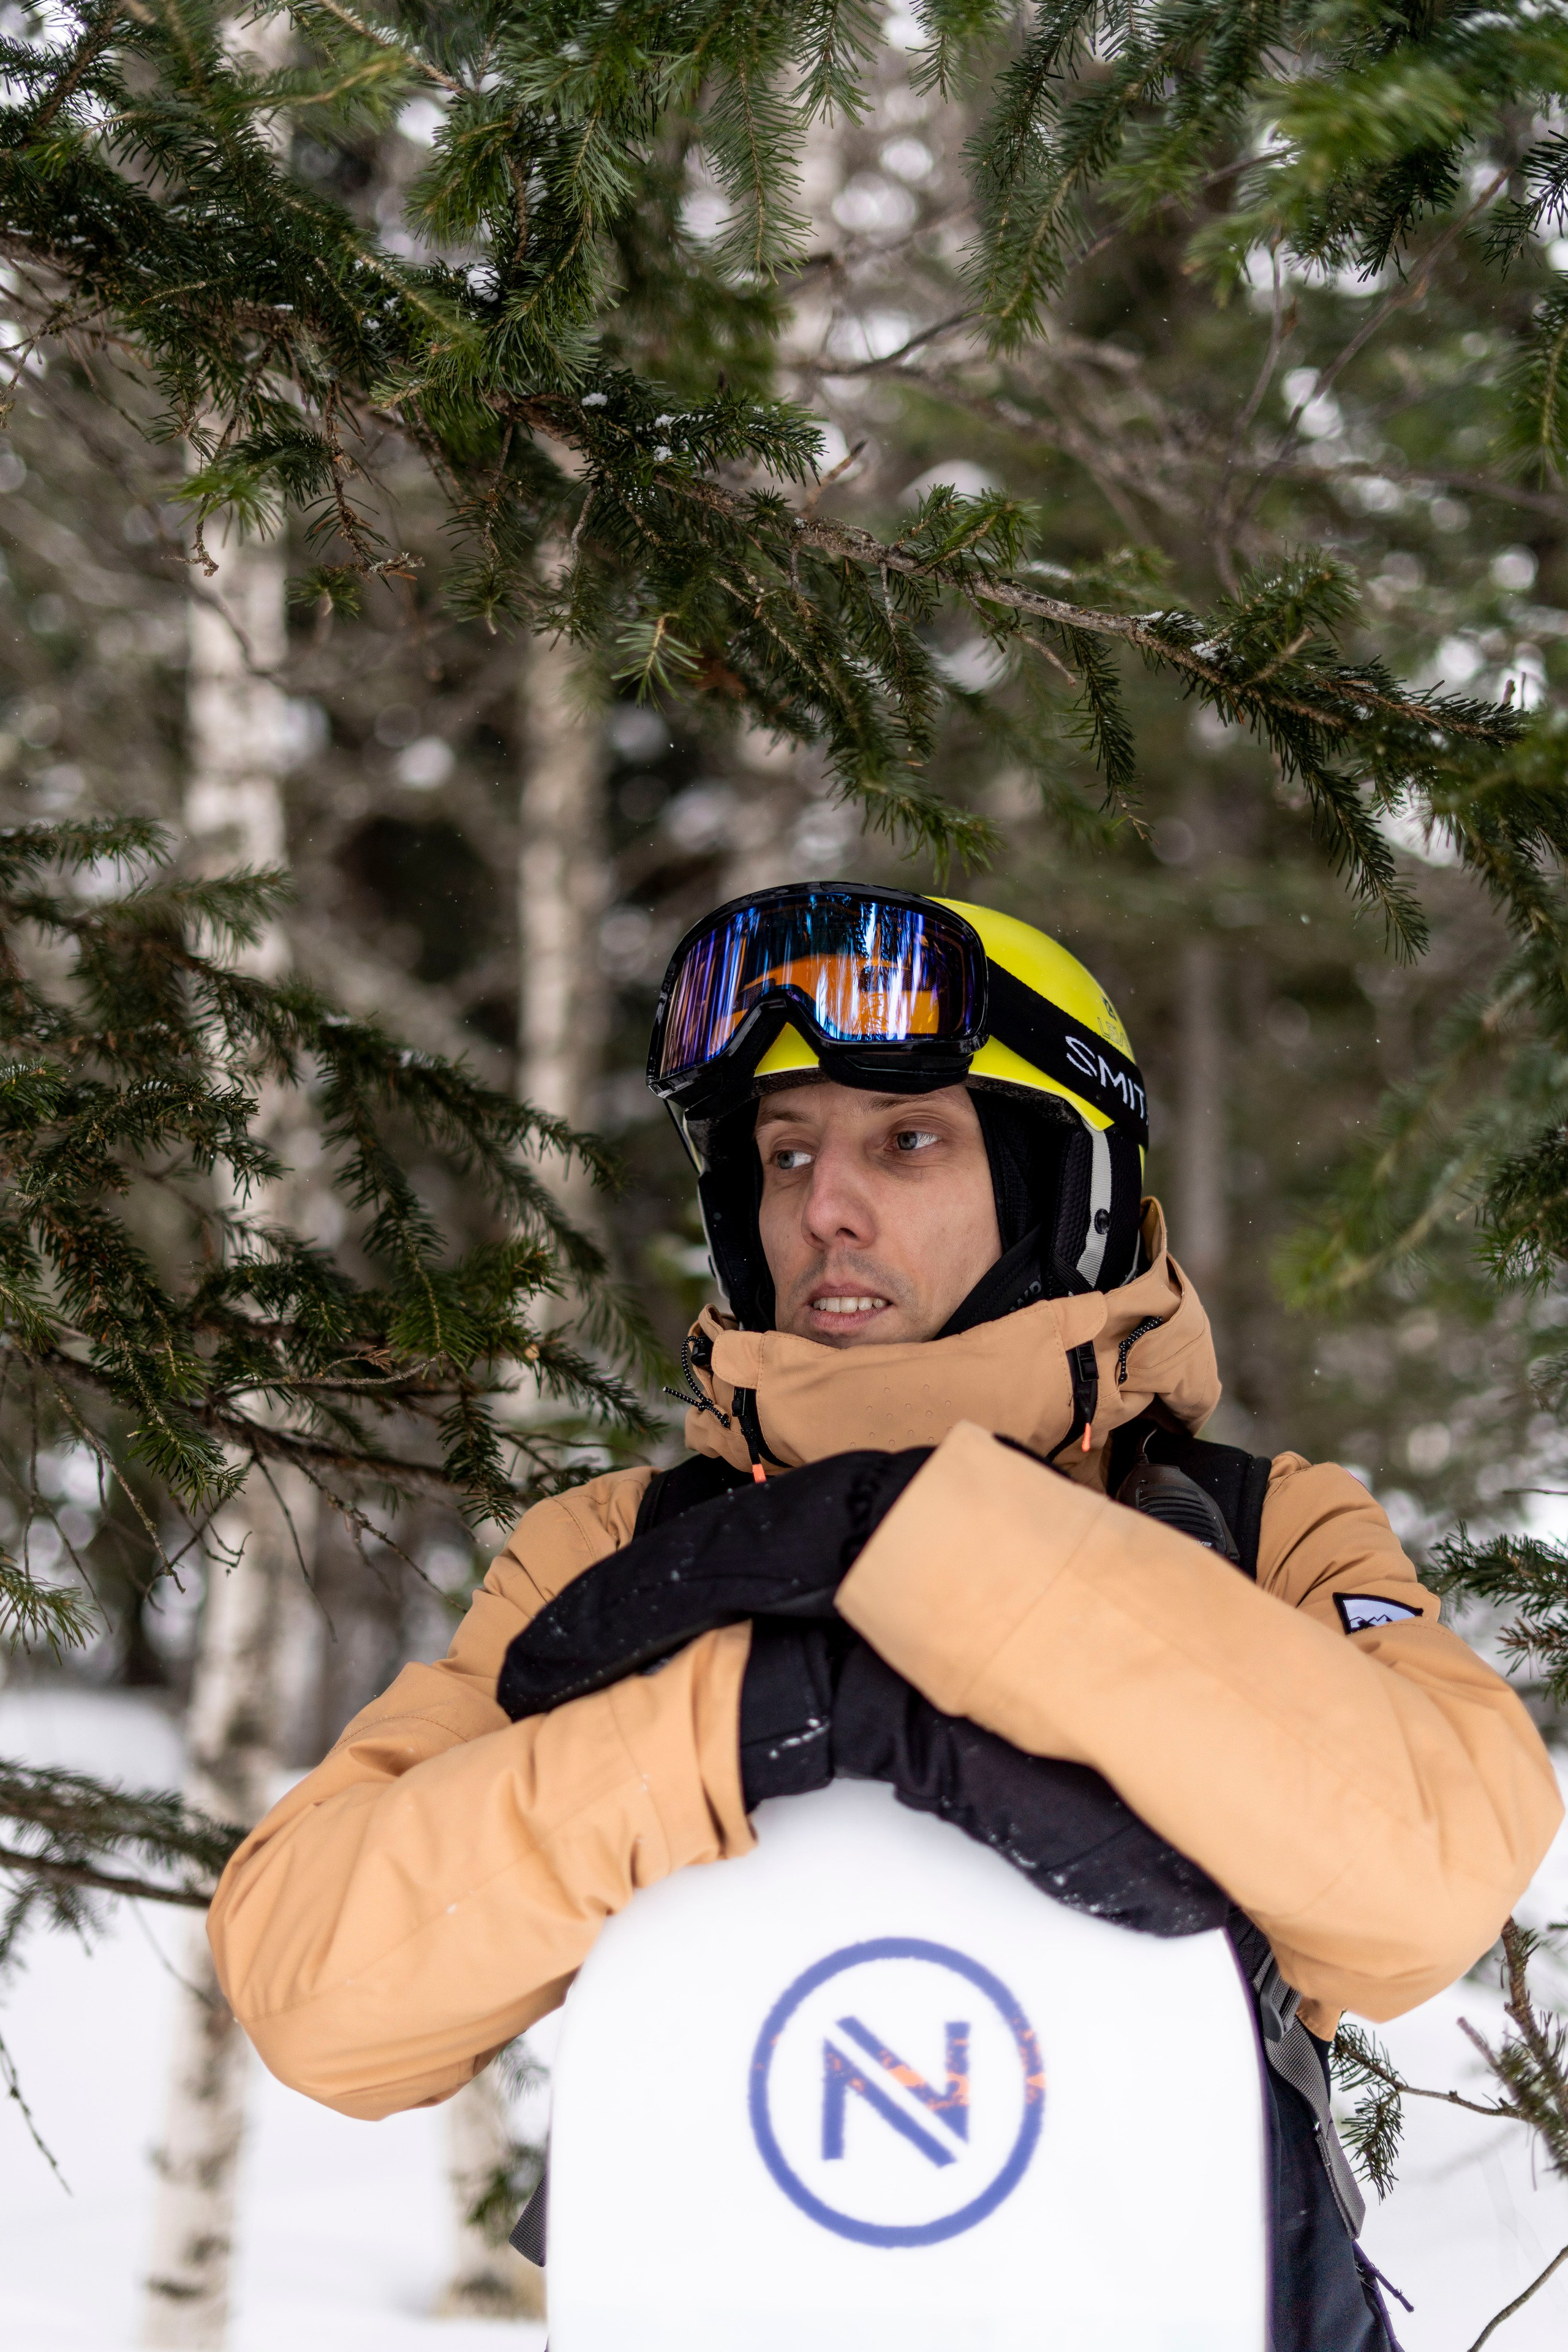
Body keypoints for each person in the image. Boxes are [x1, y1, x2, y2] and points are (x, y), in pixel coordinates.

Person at [208, 884, 1562, 2350]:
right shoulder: (615, 1548)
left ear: (1064, 1182)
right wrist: (727, 1726)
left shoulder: (1252, 1527)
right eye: (783, 1154)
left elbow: (1427, 1885)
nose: (821, 1207)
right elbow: (314, 1994)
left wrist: (917, 1537)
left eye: (904, 1140)